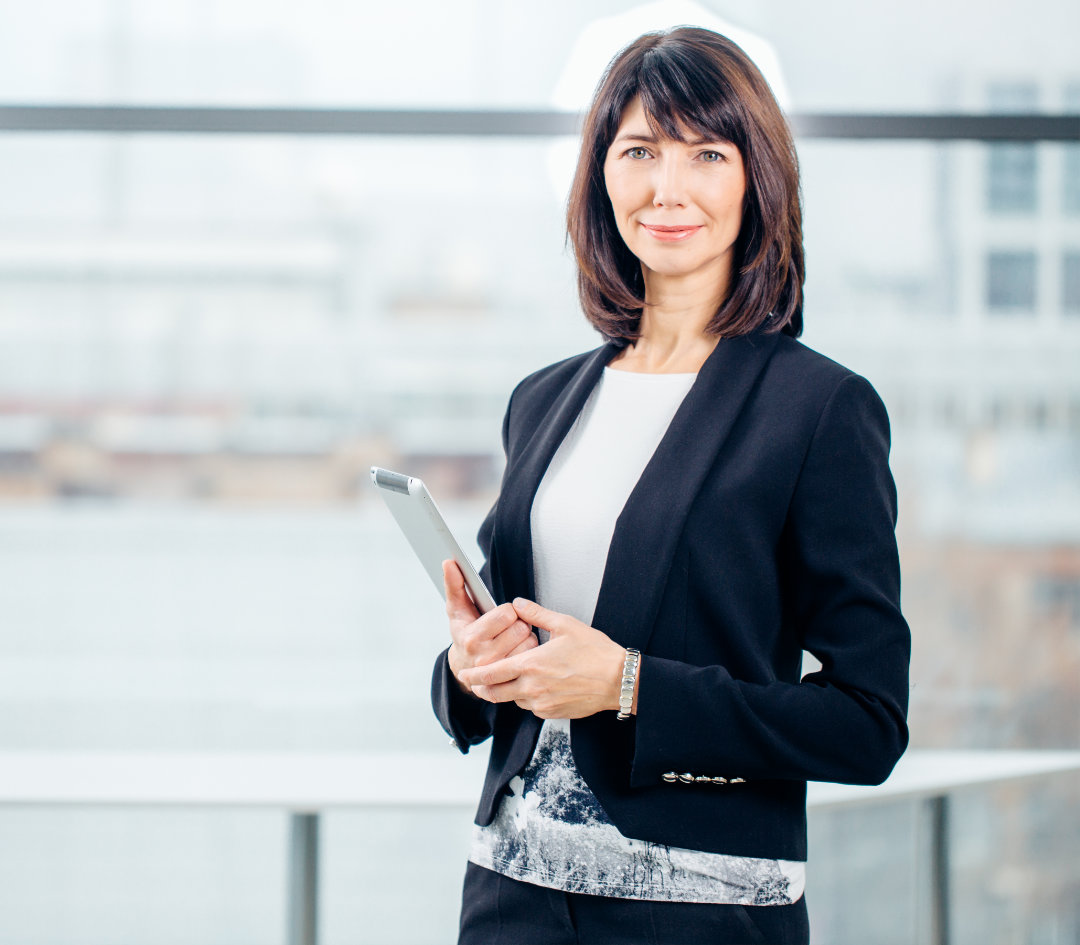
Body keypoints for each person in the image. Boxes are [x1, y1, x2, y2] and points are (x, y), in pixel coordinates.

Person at [431, 26, 910, 945]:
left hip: (701, 909)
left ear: (754, 179)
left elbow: (867, 722)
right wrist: (470, 669)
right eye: (640, 150)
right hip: (511, 895)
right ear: (601, 174)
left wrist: (630, 684)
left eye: (706, 154)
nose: (667, 188)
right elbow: (514, 670)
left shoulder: (820, 409)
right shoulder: (545, 400)